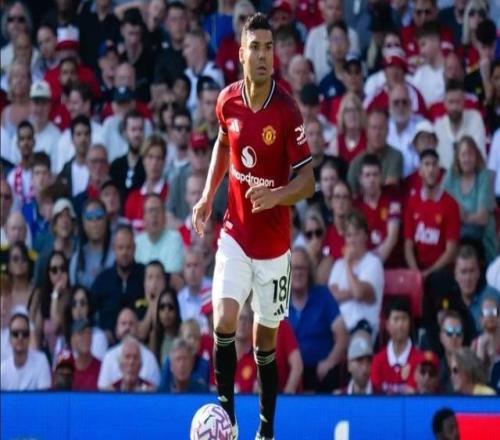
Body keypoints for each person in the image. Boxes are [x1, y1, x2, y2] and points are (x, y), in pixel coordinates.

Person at [191, 13, 314, 440]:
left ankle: (266, 429)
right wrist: (207, 195)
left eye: (268, 48)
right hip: (236, 235)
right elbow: (224, 143)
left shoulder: (286, 110)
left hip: (275, 248)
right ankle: (227, 418)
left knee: (265, 344)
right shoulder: (227, 101)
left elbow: (308, 180)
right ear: (242, 53)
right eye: (255, 48)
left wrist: (277, 195)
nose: (263, 56)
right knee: (224, 320)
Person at [288, 247, 347, 392]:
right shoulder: (279, 301)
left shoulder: (323, 296)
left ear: (309, 271)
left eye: (302, 268)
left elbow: (343, 336)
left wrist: (329, 361)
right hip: (290, 371)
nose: (297, 273)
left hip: (320, 371)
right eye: (293, 268)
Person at [404, 149, 460, 278]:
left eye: (434, 164)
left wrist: (428, 273)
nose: (431, 169)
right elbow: (408, 244)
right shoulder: (412, 202)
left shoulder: (451, 204)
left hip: (441, 270)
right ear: (420, 171)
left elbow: (451, 250)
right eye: (427, 164)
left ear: (439, 170)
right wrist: (415, 272)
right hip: (417, 268)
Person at [328, 210, 384, 337]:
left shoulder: (373, 263)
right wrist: (352, 292)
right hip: (338, 329)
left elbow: (359, 293)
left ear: (365, 236)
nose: (352, 240)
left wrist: (348, 265)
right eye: (349, 235)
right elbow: (331, 298)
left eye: (356, 234)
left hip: (363, 328)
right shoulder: (338, 265)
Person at [443, 136, 498, 263]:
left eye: (470, 154)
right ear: (457, 158)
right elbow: (441, 204)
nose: (467, 159)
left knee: (468, 234)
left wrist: (463, 216)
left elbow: (482, 219)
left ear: (476, 156)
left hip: (481, 239)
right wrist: (461, 216)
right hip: (455, 234)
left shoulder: (484, 176)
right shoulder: (451, 175)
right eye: (463, 155)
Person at [90, 225, 145, 341]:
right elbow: (89, 312)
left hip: (141, 341)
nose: (124, 252)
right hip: (108, 344)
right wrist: (102, 333)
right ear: (113, 248)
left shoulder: (145, 275)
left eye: (128, 247)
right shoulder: (102, 280)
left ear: (134, 248)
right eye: (120, 248)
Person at [354, 154, 402, 265]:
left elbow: (392, 238)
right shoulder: (356, 205)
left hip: (391, 263)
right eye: (367, 175)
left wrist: (374, 265)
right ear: (361, 179)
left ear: (381, 177)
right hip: (364, 262)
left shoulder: (392, 198)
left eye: (375, 175)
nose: (372, 179)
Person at [97, 307, 160, 389]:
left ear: (138, 328)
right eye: (123, 323)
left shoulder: (149, 357)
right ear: (116, 329)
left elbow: (156, 391)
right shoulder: (108, 356)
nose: (127, 327)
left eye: (131, 324)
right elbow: (102, 390)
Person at [347, 109, 404, 196]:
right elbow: (351, 195)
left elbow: (389, 190)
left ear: (387, 131)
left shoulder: (395, 156)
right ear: (367, 131)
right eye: (374, 128)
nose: (377, 133)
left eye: (381, 128)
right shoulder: (356, 163)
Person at [371, 299, 422, 394]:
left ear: (410, 323)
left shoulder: (420, 360)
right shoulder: (377, 361)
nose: (400, 324)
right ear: (387, 325)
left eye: (404, 319)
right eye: (396, 319)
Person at [434, 80, 486, 170]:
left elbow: (480, 157)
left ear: (464, 102)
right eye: (451, 102)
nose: (454, 107)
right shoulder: (438, 126)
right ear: (444, 103)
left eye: (458, 102)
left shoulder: (475, 118)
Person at [69, 199, 114, 290]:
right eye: (89, 218)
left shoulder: (116, 253)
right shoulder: (77, 259)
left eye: (99, 217)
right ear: (83, 223)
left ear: (106, 220)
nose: (94, 223)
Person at [134, 194, 184, 274]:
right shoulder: (137, 241)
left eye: (158, 210)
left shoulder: (175, 238)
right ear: (144, 217)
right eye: (150, 210)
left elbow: (173, 273)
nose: (154, 215)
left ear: (164, 217)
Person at [0, 313, 51, 390]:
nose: (20, 337)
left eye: (25, 333)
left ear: (29, 337)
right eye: (15, 334)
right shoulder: (3, 370)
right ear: (9, 339)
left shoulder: (41, 361)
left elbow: (44, 396)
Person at [177, 245, 213, 334]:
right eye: (188, 266)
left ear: (203, 268)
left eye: (196, 265)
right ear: (183, 270)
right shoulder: (180, 298)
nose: (192, 270)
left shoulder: (214, 290)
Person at [149, 287, 181, 366]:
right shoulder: (154, 336)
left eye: (170, 307)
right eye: (162, 307)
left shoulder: (183, 334)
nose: (166, 311)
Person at [69, 318, 101, 391]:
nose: (86, 337)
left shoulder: (100, 368)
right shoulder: (65, 368)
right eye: (81, 333)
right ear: (72, 340)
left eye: (89, 333)